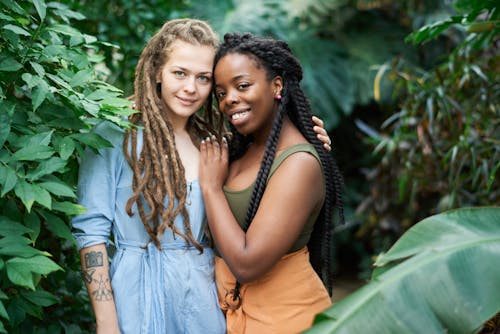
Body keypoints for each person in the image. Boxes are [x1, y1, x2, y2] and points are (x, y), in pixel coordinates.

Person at [71, 19, 333, 333]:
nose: (190, 88)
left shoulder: (217, 142)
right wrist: (107, 322)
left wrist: (311, 137)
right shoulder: (114, 134)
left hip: (206, 304)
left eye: (203, 78)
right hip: (135, 300)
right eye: (179, 73)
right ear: (157, 71)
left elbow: (267, 170)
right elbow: (91, 232)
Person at [199, 32, 344, 334]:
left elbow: (248, 264)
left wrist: (211, 188)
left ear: (276, 85)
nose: (230, 100)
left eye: (242, 86)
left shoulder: (298, 163)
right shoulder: (240, 150)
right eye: (221, 93)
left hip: (287, 320)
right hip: (238, 318)